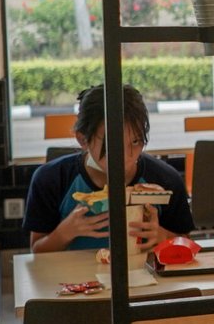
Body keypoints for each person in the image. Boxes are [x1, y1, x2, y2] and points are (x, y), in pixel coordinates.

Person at [23, 84, 193, 254]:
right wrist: (64, 233)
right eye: (112, 144)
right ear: (83, 139)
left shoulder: (166, 179)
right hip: (69, 272)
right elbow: (37, 252)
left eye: (135, 141)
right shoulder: (51, 179)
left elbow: (187, 245)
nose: (126, 156)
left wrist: (163, 236)